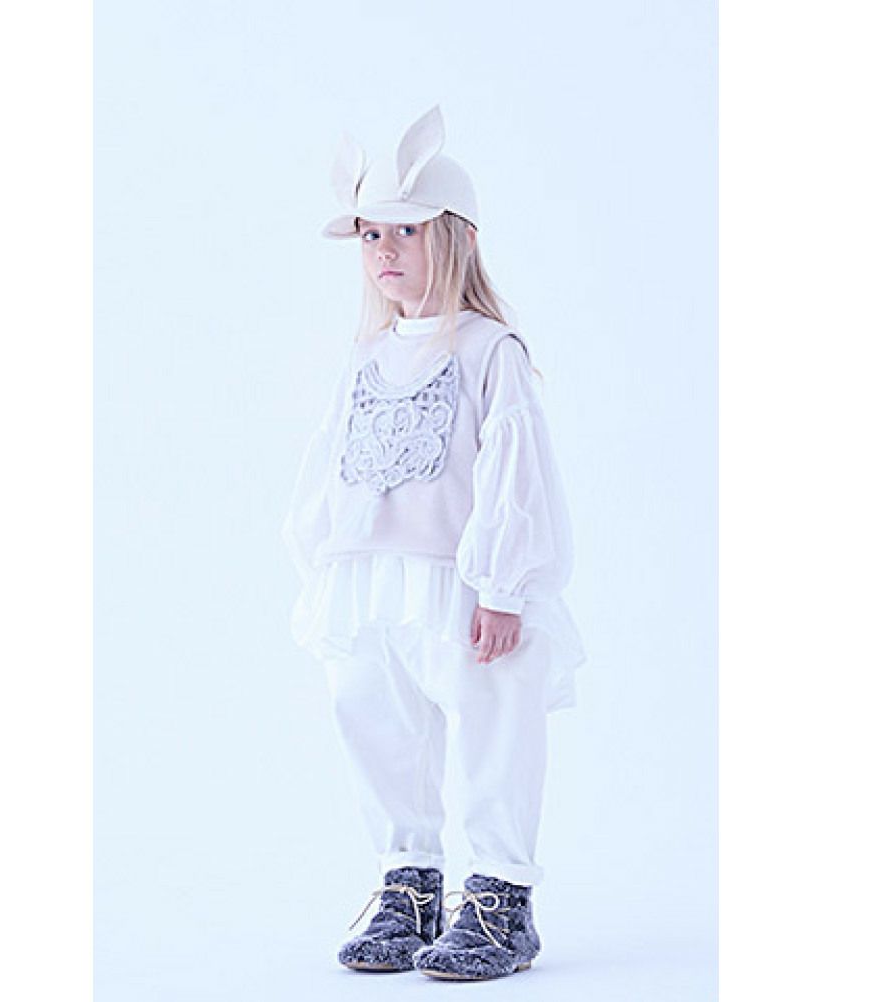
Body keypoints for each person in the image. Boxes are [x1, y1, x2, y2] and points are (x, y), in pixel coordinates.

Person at [280, 104, 587, 981]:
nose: (384, 251)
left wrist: (504, 584)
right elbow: (332, 466)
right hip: (371, 578)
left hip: (458, 580)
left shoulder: (489, 350)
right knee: (375, 721)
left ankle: (498, 896)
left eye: (405, 232)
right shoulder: (367, 355)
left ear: (454, 238)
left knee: (491, 724)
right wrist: (324, 563)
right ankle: (407, 880)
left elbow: (515, 471)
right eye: (370, 235)